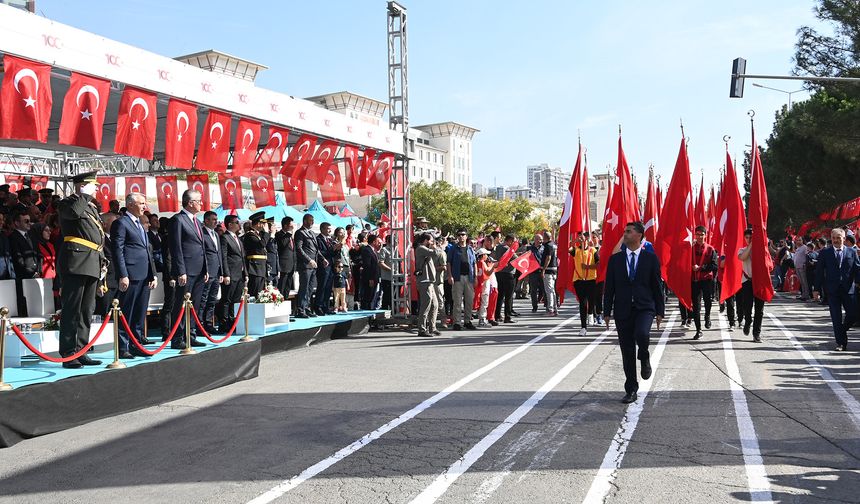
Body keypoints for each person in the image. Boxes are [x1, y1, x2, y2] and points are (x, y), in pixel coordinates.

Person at [603, 221, 665, 404]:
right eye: (625, 231)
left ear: (639, 235)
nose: (625, 234)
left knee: (642, 333)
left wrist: (660, 310)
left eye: (629, 231)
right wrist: (606, 311)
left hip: (644, 307)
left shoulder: (650, 258)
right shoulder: (615, 260)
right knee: (627, 350)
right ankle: (631, 389)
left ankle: (644, 355)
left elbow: (657, 286)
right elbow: (610, 288)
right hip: (623, 310)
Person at [57, 171, 105, 368]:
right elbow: (73, 214)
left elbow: (97, 236)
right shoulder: (67, 203)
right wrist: (84, 195)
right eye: (93, 185)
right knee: (72, 309)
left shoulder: (90, 207)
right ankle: (68, 353)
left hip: (92, 261)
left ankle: (81, 349)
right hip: (75, 261)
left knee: (86, 310)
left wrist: (103, 261)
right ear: (82, 185)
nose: (96, 188)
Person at [111, 192, 157, 357]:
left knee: (139, 312)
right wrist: (123, 274)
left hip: (144, 274)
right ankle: (123, 347)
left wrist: (153, 274)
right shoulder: (121, 223)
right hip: (130, 274)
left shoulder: (139, 224)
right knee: (127, 312)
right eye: (141, 203)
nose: (144, 206)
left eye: (144, 203)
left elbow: (147, 250)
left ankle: (136, 344)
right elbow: (118, 250)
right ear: (130, 204)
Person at [167, 189, 208, 349]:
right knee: (181, 305)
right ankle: (177, 338)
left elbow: (202, 247)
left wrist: (205, 269)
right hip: (187, 270)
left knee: (194, 305)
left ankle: (191, 335)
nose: (201, 203)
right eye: (199, 200)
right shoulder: (179, 220)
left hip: (199, 270)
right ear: (190, 203)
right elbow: (176, 248)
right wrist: (180, 270)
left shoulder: (197, 222)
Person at [814, 228, 860, 351]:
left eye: (838, 238)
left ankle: (841, 330)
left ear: (844, 239)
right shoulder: (825, 253)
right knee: (836, 316)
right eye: (833, 238)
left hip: (848, 289)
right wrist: (816, 289)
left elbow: (857, 269)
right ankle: (841, 343)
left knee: (853, 314)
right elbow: (819, 272)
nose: (835, 240)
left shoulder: (852, 252)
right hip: (832, 290)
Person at [217, 215, 246, 331]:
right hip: (231, 273)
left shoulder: (237, 238)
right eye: (236, 222)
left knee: (236, 300)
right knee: (226, 299)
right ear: (230, 224)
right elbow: (223, 257)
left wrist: (246, 274)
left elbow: (242, 257)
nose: (239, 224)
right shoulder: (225, 237)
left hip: (239, 273)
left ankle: (233, 321)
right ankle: (224, 323)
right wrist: (226, 274)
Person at [690, 225, 718, 340]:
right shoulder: (690, 249)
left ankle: (707, 316)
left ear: (705, 235)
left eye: (702, 234)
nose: (700, 236)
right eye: (697, 234)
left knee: (707, 300)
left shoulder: (710, 249)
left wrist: (700, 267)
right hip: (694, 280)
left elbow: (714, 265)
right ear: (695, 235)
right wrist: (691, 267)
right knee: (696, 306)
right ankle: (698, 329)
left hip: (706, 279)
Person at [738, 229, 765, 343]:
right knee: (747, 307)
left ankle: (756, 334)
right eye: (747, 238)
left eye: (751, 237)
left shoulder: (761, 250)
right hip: (747, 281)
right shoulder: (742, 249)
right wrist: (751, 245)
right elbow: (742, 258)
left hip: (759, 282)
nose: (749, 239)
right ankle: (747, 321)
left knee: (759, 309)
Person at [9, 210, 38, 316]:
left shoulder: (31, 236)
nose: (29, 223)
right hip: (23, 276)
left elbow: (37, 254)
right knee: (24, 304)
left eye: (29, 221)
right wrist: (31, 272)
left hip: (36, 275)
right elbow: (18, 259)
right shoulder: (13, 237)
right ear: (17, 223)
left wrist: (38, 270)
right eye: (26, 221)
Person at [447, 229, 477, 330]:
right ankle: (457, 322)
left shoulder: (470, 249)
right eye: (459, 235)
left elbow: (474, 264)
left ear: (466, 236)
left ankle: (467, 321)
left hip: (469, 277)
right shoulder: (453, 249)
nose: (461, 236)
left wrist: (475, 277)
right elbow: (449, 263)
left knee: (469, 301)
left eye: (463, 235)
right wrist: (450, 275)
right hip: (457, 277)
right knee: (457, 301)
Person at [571, 231, 600, 336]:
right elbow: (567, 248)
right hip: (579, 280)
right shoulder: (576, 250)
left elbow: (598, 264)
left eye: (582, 237)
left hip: (591, 280)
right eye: (578, 237)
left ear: (587, 238)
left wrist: (588, 267)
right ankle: (583, 327)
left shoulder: (593, 250)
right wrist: (575, 240)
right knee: (582, 303)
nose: (580, 239)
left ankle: (591, 313)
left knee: (591, 300)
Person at [200, 210, 223, 334]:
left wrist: (222, 272)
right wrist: (206, 270)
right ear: (206, 220)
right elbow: (203, 254)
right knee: (203, 299)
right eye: (213, 219)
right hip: (208, 272)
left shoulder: (216, 235)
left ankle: (209, 323)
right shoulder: (202, 234)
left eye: (216, 219)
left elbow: (219, 254)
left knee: (212, 299)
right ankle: (200, 324)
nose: (216, 222)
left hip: (217, 272)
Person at [295, 214, 322, 318]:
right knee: (304, 287)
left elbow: (316, 249)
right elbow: (299, 249)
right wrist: (309, 260)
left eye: (313, 220)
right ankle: (300, 309)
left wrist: (322, 258)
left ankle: (306, 307)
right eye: (311, 220)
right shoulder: (300, 232)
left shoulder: (312, 233)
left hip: (314, 265)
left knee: (310, 288)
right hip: (305, 265)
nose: (312, 222)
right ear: (305, 221)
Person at [95, 212, 120, 318]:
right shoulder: (99, 240)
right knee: (104, 314)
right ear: (104, 224)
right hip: (106, 283)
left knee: (118, 315)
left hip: (118, 281)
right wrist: (98, 283)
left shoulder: (116, 239)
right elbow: (97, 262)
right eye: (114, 222)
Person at [415, 232, 439, 336]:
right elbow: (435, 253)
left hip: (430, 281)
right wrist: (436, 246)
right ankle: (422, 329)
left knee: (435, 305)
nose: (432, 242)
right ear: (425, 241)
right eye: (430, 240)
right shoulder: (421, 248)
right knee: (426, 306)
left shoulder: (425, 250)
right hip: (424, 281)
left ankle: (432, 327)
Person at [493, 234, 517, 324]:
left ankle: (497, 315)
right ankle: (508, 316)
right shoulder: (508, 249)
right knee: (509, 296)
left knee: (500, 296)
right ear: (509, 241)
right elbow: (516, 259)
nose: (514, 243)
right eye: (513, 241)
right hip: (508, 274)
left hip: (499, 273)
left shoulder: (498, 247)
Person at [314, 222, 335, 315]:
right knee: (322, 287)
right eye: (328, 228)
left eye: (330, 228)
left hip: (331, 266)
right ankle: (318, 306)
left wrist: (336, 249)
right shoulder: (318, 239)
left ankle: (326, 306)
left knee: (328, 287)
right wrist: (332, 249)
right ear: (322, 229)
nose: (330, 230)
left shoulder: (330, 240)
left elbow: (332, 254)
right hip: (323, 266)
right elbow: (320, 252)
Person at [275, 216, 296, 297]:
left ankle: (286, 300)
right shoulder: (279, 234)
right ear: (285, 225)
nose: (292, 226)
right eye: (291, 225)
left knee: (288, 287)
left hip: (291, 265)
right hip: (283, 265)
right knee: (282, 286)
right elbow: (283, 245)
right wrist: (288, 234)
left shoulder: (290, 236)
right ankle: (280, 302)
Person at [360, 234, 381, 310]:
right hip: (369, 276)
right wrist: (370, 278)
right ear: (373, 241)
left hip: (374, 276)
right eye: (377, 241)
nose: (378, 243)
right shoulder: (367, 250)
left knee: (371, 294)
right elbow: (367, 265)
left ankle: (368, 307)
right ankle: (365, 308)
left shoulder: (373, 250)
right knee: (368, 294)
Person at [541, 230, 558, 316]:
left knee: (549, 291)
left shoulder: (548, 246)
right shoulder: (554, 245)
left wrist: (543, 269)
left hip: (548, 270)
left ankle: (550, 309)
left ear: (545, 238)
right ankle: (554, 308)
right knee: (552, 290)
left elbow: (548, 257)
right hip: (554, 269)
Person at [433, 235, 448, 328]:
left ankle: (443, 320)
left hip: (438, 281)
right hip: (429, 280)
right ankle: (431, 322)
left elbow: (444, 266)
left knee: (440, 302)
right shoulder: (428, 253)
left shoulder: (441, 253)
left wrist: (432, 268)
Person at [528, 233, 545, 313]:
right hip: (533, 272)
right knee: (533, 290)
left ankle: (547, 304)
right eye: (539, 239)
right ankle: (534, 306)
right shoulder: (530, 248)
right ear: (535, 240)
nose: (540, 241)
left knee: (544, 289)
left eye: (541, 239)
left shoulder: (544, 248)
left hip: (542, 271)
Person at [378, 235, 394, 310]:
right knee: (387, 295)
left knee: (394, 296)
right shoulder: (384, 250)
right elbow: (381, 263)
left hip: (395, 277)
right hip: (387, 277)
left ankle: (393, 310)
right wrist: (391, 269)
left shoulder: (396, 250)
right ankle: (385, 311)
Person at [794, 236, 811, 301]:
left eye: (800, 240)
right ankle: (803, 294)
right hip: (797, 267)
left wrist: (805, 264)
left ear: (802, 241)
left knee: (804, 282)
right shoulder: (798, 248)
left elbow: (807, 255)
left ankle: (806, 295)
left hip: (802, 267)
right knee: (801, 282)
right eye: (797, 240)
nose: (798, 241)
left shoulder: (804, 247)